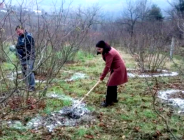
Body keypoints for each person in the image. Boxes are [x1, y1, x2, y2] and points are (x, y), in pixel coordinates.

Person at [96, 40, 128, 107]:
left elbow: (107, 66)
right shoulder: (107, 49)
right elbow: (109, 64)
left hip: (118, 68)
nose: (98, 50)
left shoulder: (109, 53)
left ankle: (108, 102)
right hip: (115, 68)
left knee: (110, 84)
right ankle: (114, 99)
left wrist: (102, 77)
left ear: (103, 47)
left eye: (99, 49)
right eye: (97, 49)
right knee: (113, 84)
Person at [15, 25, 35, 91]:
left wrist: (25, 53)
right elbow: (18, 46)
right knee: (24, 72)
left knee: (29, 71)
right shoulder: (20, 37)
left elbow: (31, 48)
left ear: (23, 29)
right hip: (22, 58)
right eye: (17, 32)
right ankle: (27, 86)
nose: (18, 33)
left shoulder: (29, 36)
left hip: (29, 58)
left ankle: (32, 86)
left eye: (19, 31)